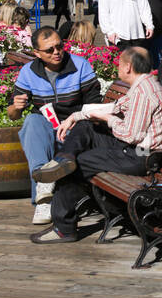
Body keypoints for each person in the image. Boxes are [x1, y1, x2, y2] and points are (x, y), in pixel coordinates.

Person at [30, 46, 162, 244]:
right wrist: (76, 116)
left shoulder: (144, 93)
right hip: (131, 148)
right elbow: (115, 108)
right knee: (86, 127)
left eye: (119, 64)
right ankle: (63, 159)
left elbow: (132, 135)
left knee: (78, 164)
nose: (117, 67)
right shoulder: (142, 85)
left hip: (141, 156)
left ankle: (64, 229)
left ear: (128, 67)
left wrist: (108, 119)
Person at [7, 26, 103, 226]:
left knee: (55, 128)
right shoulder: (29, 72)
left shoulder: (80, 66)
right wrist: (16, 107)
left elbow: (94, 107)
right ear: (37, 53)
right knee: (31, 121)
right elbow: (13, 115)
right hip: (47, 127)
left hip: (77, 126)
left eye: (59, 46)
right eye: (49, 50)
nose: (57, 52)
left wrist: (73, 121)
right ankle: (44, 188)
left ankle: (44, 190)